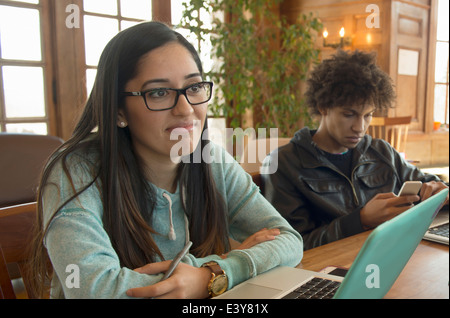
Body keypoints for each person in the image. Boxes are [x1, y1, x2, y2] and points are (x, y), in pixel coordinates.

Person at [28, 21, 303, 299]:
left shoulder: (210, 160)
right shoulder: (74, 172)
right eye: (158, 93)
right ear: (118, 110)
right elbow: (94, 290)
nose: (185, 109)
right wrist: (213, 269)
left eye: (194, 87)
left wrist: (213, 273)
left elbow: (289, 240)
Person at [262, 50, 448, 250]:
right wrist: (360, 220)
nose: (360, 127)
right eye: (349, 114)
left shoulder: (381, 152)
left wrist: (441, 191)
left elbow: (429, 183)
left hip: (391, 255)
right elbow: (291, 246)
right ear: (323, 107)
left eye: (368, 115)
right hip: (330, 271)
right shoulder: (283, 164)